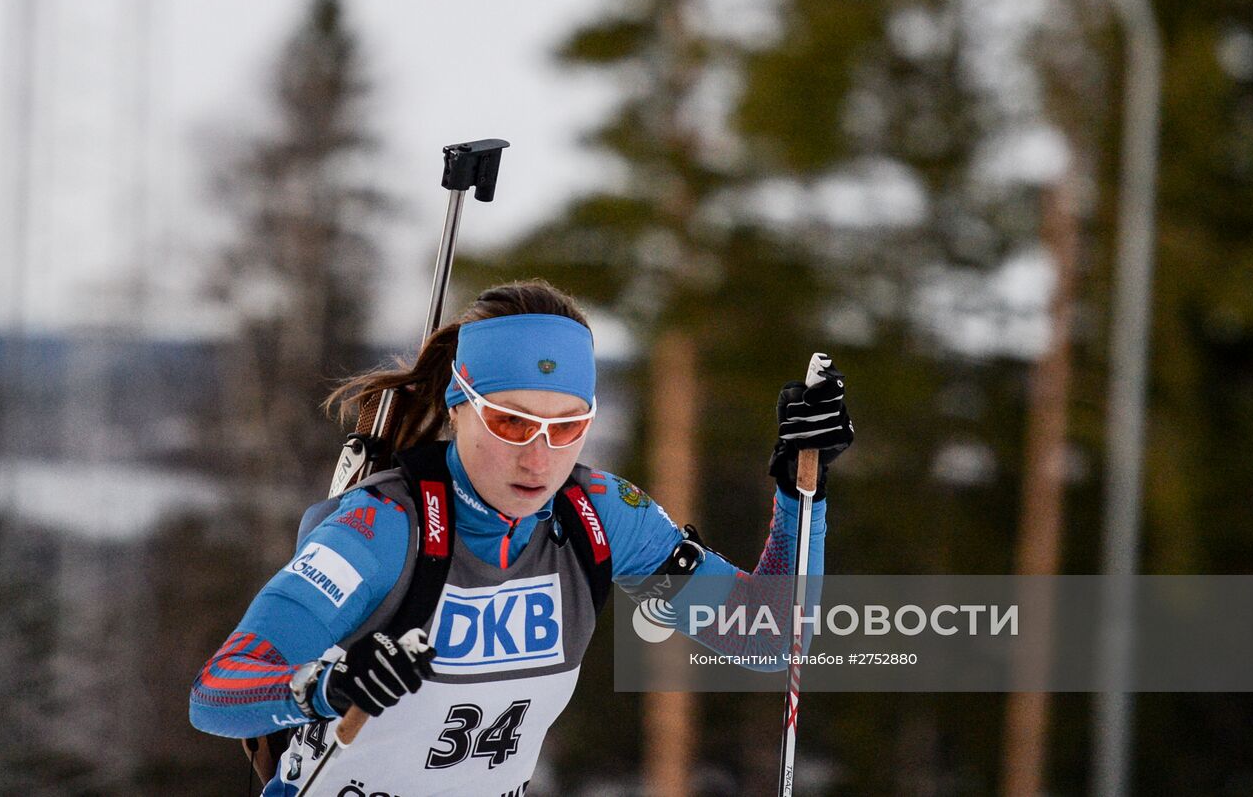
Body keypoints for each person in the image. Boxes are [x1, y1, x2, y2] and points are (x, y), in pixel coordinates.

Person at [190, 279, 852, 796]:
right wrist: (327, 684)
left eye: (567, 427)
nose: (538, 458)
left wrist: (801, 493)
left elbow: (768, 637)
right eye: (511, 422)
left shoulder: (597, 516)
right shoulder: (382, 528)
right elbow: (217, 692)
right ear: (459, 405)